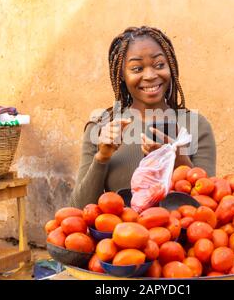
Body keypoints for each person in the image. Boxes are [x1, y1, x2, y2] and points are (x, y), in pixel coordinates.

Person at [69, 26, 216, 208]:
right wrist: (102, 156)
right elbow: (79, 207)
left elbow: (208, 208)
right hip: (122, 234)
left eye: (159, 65)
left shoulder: (196, 126)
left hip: (177, 234)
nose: (150, 75)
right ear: (122, 75)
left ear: (170, 66)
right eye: (137, 68)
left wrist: (179, 161)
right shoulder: (103, 128)